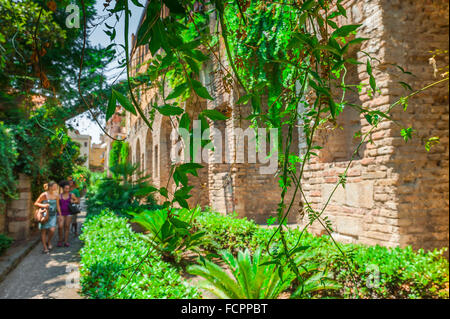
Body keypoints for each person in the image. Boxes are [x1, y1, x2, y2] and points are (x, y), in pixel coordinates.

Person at [34, 181, 61, 254]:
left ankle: (48, 241)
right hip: (45, 215)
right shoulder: (44, 195)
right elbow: (36, 203)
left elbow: (58, 205)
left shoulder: (56, 195)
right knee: (44, 231)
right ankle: (45, 248)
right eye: (55, 186)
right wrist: (44, 206)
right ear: (50, 187)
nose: (56, 187)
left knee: (52, 230)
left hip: (53, 215)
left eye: (56, 186)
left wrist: (60, 215)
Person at [57, 182, 78, 247]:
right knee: (60, 226)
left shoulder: (71, 195)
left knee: (67, 226)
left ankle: (66, 241)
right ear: (63, 188)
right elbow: (57, 206)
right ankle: (60, 240)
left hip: (69, 213)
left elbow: (77, 200)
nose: (67, 190)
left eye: (68, 188)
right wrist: (60, 214)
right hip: (61, 213)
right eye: (66, 188)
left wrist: (73, 201)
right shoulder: (59, 196)